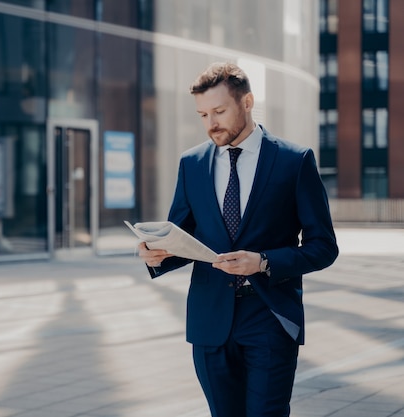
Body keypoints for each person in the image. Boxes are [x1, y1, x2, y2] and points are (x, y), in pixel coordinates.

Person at [138, 62, 339, 417]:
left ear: (247, 102)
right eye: (202, 114)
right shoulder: (192, 163)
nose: (210, 123)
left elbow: (323, 246)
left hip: (269, 315)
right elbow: (183, 238)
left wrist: (263, 261)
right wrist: (159, 255)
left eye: (219, 111)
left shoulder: (294, 161)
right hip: (210, 320)